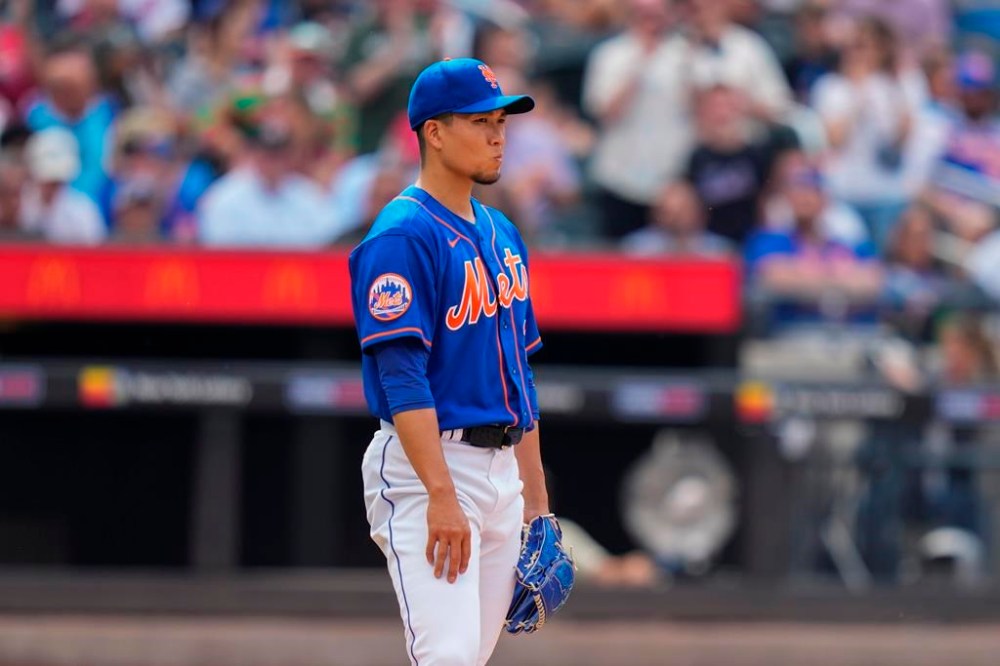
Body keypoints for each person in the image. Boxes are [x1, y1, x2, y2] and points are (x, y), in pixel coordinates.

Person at [349, 58, 548, 666]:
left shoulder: (502, 232)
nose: (497, 137)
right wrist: (440, 495)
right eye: (480, 122)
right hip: (428, 468)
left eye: (501, 123)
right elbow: (400, 374)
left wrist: (538, 509)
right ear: (434, 132)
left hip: (501, 471)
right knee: (448, 658)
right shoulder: (402, 235)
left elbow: (521, 378)